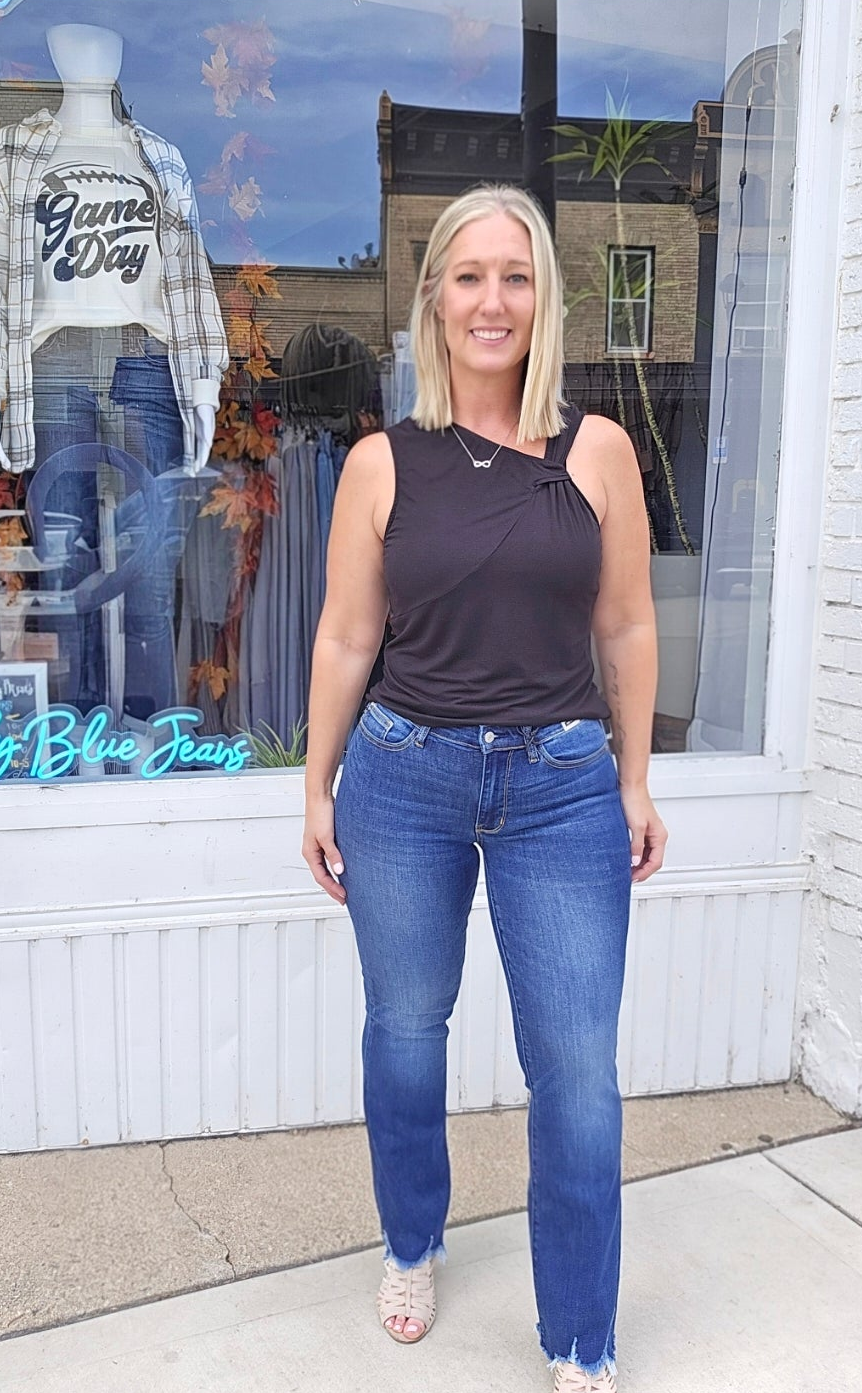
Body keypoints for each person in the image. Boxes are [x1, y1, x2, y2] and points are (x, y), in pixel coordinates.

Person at [302, 183, 667, 1393]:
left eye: (515, 276)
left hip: (561, 785)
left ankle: (581, 1338)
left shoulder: (596, 450)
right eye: (468, 276)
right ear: (433, 300)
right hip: (403, 776)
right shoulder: (380, 461)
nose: (492, 300)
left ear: (543, 298)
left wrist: (633, 780)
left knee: (576, 1071)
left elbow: (625, 626)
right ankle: (411, 1240)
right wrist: (315, 786)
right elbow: (347, 636)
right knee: (407, 1032)